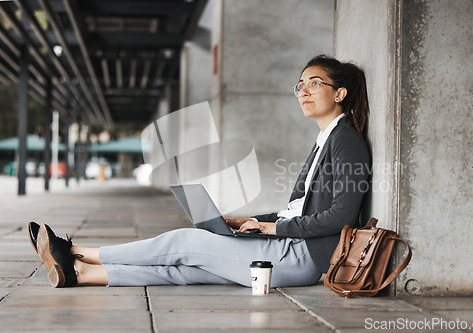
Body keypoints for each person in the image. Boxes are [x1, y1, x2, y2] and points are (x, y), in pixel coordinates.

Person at [28, 55, 371, 288]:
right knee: (187, 270)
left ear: (339, 93)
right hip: (291, 245)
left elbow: (341, 217)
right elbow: (301, 208)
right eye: (300, 85)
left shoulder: (347, 141)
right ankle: (80, 274)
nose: (304, 91)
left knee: (184, 241)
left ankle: (75, 251)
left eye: (315, 83)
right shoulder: (324, 139)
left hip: (306, 256)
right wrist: (249, 220)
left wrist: (272, 227)